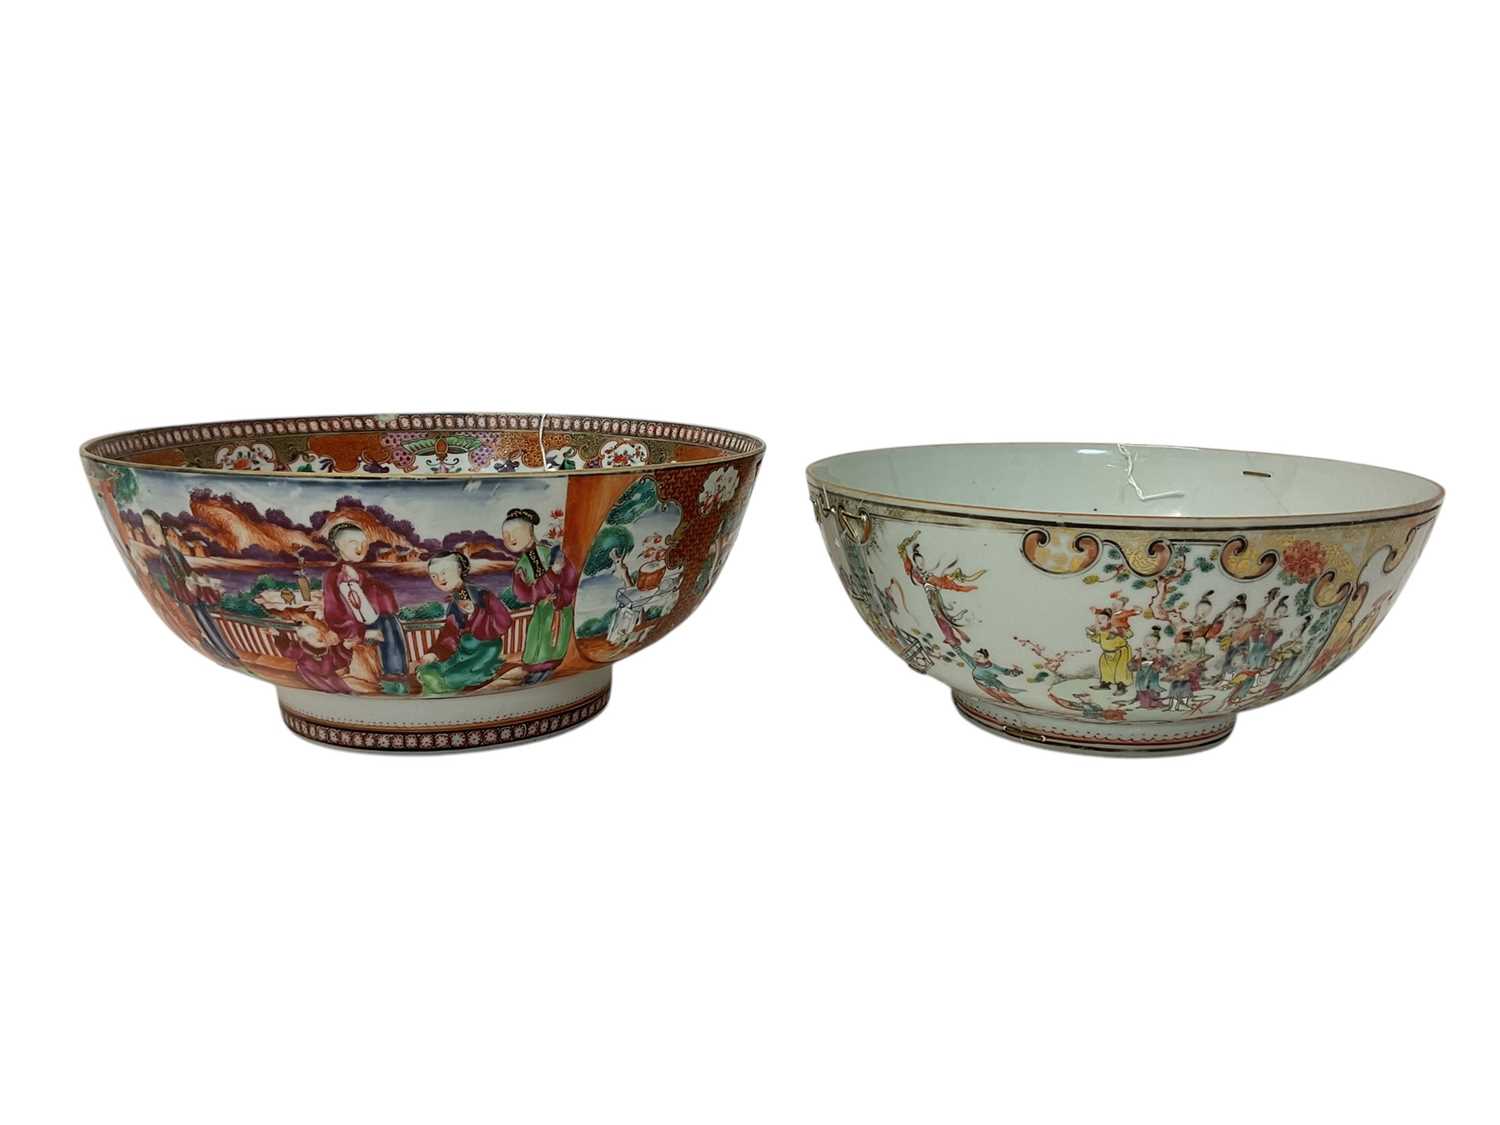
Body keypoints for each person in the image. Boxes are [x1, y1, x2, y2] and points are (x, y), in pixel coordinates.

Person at [142, 510, 239, 665]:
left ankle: (226, 652)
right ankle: (225, 652)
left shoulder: (172, 552)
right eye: (147, 529)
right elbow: (177, 578)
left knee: (206, 624)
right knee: (203, 626)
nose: (151, 533)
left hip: (191, 595)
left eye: (152, 527)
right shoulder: (166, 553)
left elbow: (186, 573)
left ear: (161, 527)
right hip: (187, 597)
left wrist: (201, 582)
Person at [321, 521, 408, 690]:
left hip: (375, 621)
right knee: (386, 626)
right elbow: (335, 610)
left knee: (390, 623)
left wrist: (362, 581)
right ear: (338, 545)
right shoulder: (335, 575)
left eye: (363, 543)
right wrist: (359, 633)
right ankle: (393, 675)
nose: (360, 547)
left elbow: (378, 598)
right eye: (353, 542)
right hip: (355, 627)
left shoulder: (359, 573)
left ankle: (396, 674)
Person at [416, 550, 512, 694]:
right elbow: (450, 633)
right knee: (431, 669)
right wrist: (435, 653)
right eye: (434, 576)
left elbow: (504, 620)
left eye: (444, 572)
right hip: (463, 649)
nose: (440, 579)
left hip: (485, 648)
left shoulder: (481, 594)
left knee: (451, 678)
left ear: (459, 569)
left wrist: (477, 613)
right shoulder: (454, 603)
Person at [503, 508, 578, 681]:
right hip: (542, 609)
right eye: (506, 535)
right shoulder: (521, 566)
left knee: (554, 643)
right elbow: (523, 594)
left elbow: (570, 577)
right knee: (537, 642)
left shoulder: (549, 552)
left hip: (559, 608)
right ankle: (536, 675)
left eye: (515, 532)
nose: (511, 538)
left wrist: (560, 596)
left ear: (530, 530)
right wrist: (547, 582)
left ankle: (545, 674)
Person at [956, 647, 1025, 706]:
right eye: (975, 656)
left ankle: (1017, 704)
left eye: (980, 656)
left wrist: (1017, 671)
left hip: (993, 684)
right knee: (993, 695)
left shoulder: (992, 668)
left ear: (986, 658)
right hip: (980, 683)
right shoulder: (975, 664)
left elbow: (1005, 672)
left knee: (1003, 694)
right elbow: (964, 656)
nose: (976, 657)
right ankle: (1002, 702)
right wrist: (955, 646)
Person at [1086, 607, 1133, 694]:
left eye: (1103, 618)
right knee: (1105, 668)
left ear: (1109, 620)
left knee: (1120, 670)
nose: (1100, 620)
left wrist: (1118, 631)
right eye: (1098, 619)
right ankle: (1105, 684)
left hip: (1120, 652)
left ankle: (1121, 686)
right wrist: (1091, 635)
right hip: (1107, 653)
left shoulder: (1116, 627)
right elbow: (1098, 639)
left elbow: (1130, 634)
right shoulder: (1101, 630)